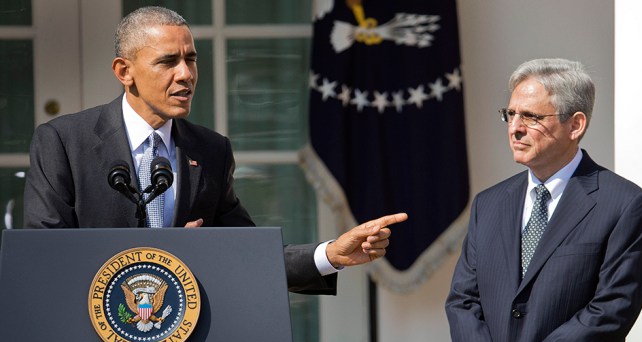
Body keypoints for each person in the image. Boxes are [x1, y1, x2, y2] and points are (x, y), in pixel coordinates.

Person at [23, 6, 407, 294]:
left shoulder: (210, 150)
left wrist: (331, 255)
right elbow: (45, 260)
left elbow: (246, 252)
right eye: (168, 62)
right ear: (125, 72)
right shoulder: (62, 141)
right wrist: (166, 255)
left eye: (190, 59)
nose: (186, 74)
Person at [445, 58, 642, 342]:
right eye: (509, 114)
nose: (515, 128)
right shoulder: (489, 204)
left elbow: (612, 309)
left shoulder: (624, 203)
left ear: (575, 124)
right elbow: (463, 302)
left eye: (531, 117)